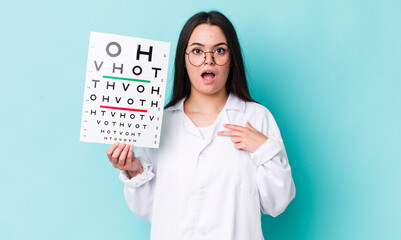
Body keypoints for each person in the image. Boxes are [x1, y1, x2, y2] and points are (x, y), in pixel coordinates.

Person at [106, 11, 295, 240]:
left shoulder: (257, 117)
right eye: (197, 51)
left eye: (220, 50)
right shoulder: (159, 122)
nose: (209, 59)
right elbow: (148, 210)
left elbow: (277, 203)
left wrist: (264, 148)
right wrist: (134, 170)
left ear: (231, 59)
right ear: (184, 60)